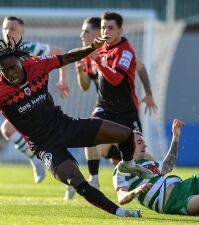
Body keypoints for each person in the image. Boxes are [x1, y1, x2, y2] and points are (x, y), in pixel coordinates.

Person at [0, 36, 154, 218]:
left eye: (13, 67)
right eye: (5, 71)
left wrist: (91, 48)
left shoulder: (35, 65)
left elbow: (68, 57)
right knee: (77, 181)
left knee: (125, 134)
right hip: (45, 146)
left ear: (20, 61)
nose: (11, 73)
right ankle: (121, 213)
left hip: (66, 126)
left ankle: (127, 166)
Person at [65, 16, 157, 200]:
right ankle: (94, 179)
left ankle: (159, 176)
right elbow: (84, 86)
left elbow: (119, 78)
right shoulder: (98, 50)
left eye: (86, 31)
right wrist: (79, 69)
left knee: (137, 156)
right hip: (105, 107)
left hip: (126, 112)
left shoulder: (124, 51)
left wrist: (148, 93)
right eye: (103, 27)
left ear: (119, 30)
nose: (82, 35)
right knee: (88, 131)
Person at [0, 16, 70, 184]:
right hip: (19, 107)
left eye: (12, 28)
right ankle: (37, 162)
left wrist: (63, 80)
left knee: (52, 143)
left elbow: (61, 52)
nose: (8, 32)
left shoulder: (31, 48)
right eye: (5, 28)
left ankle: (68, 176)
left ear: (22, 32)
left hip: (38, 104)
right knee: (8, 130)